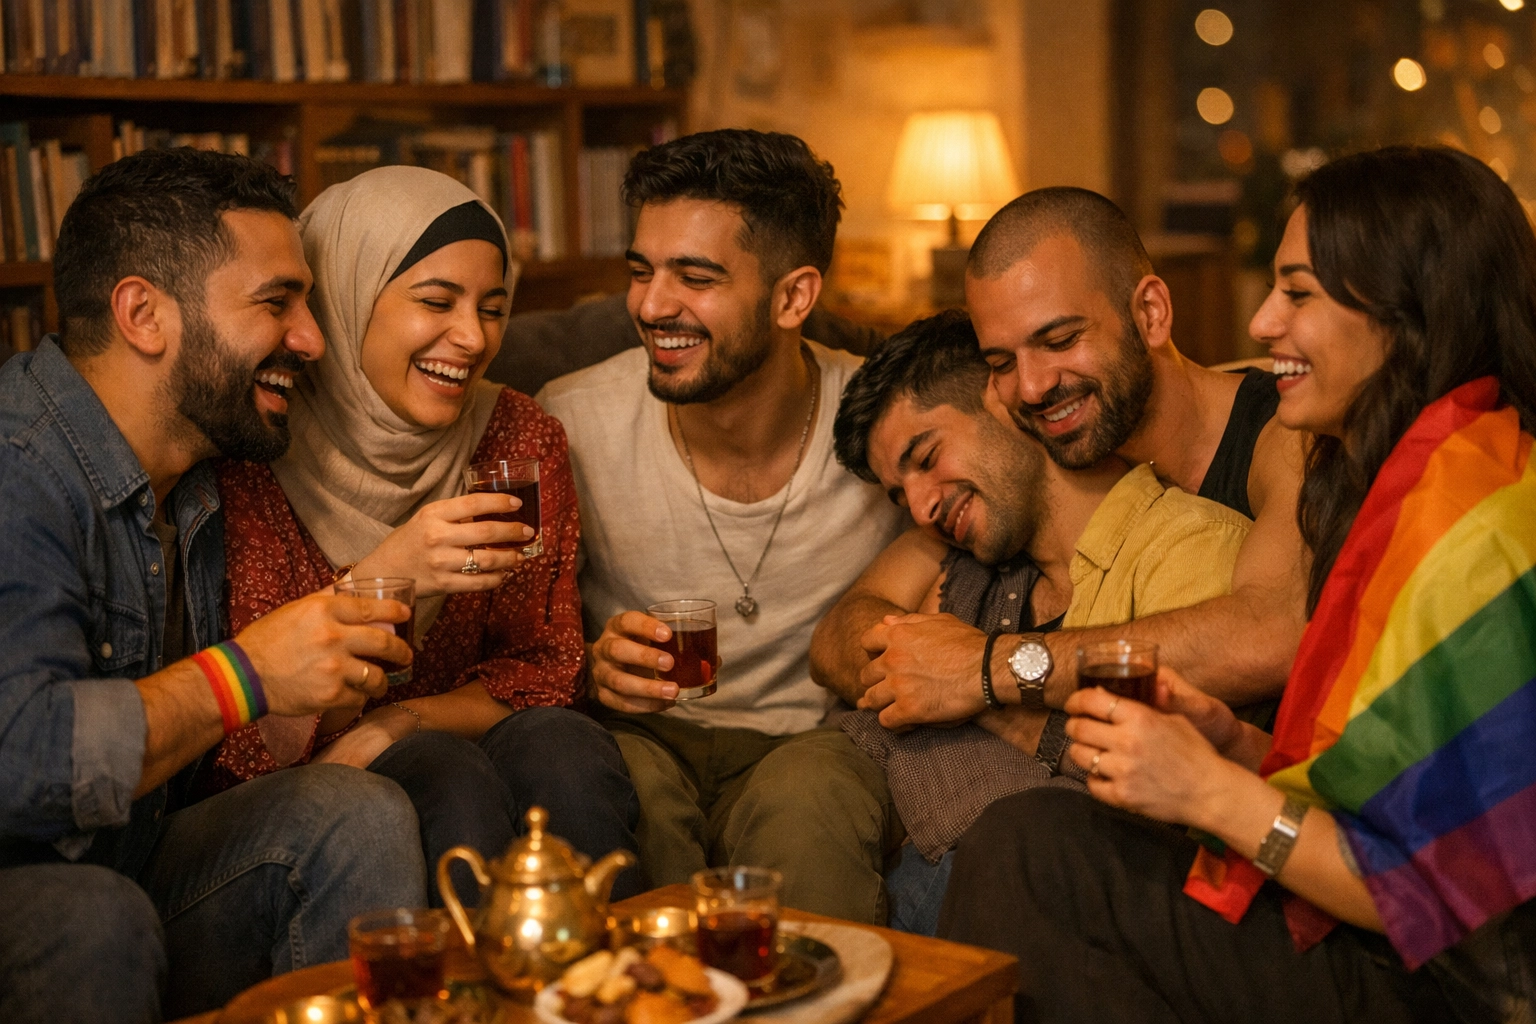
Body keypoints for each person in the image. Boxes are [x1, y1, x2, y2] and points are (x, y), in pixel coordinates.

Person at [940, 146, 1536, 1023]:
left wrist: (1215, 793)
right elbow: (1384, 784)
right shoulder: (1403, 472)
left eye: (1298, 294)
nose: (1260, 323)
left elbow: (1440, 892)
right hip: (1378, 935)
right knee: (1037, 846)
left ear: (1408, 311)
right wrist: (1231, 747)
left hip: (1452, 987)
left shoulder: (1475, 523)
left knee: (1029, 853)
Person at [0, 148, 427, 1021]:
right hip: (43, 887)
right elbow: (20, 756)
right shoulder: (17, 471)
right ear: (143, 314)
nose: (311, 340)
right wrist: (244, 675)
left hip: (133, 852)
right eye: (277, 304)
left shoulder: (201, 474)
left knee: (360, 812)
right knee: (93, 917)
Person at [207, 166, 643, 904]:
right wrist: (394, 571)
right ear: (345, 300)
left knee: (565, 748)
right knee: (445, 774)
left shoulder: (519, 437)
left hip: (459, 730)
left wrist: (403, 720)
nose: (472, 338)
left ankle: (619, 993)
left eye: (494, 308)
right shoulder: (255, 448)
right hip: (317, 779)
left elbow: (547, 670)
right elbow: (262, 737)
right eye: (437, 301)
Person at [537, 129, 907, 923]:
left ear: (793, 298)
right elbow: (517, 644)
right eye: (641, 271)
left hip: (812, 743)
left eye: (694, 278)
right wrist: (589, 666)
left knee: (809, 802)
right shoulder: (569, 422)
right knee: (624, 789)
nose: (650, 305)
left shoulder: (886, 422)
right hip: (645, 736)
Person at [821, 309, 1250, 934]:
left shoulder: (1184, 546)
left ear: (1003, 404)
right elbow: (836, 639)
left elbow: (1162, 803)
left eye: (927, 456)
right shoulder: (973, 551)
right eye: (899, 493)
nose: (919, 506)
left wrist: (975, 688)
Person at [852, 187, 1308, 735]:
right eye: (1001, 362)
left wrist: (988, 671)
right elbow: (847, 624)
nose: (1033, 385)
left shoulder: (1283, 436)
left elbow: (1272, 637)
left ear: (1151, 313)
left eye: (1061, 339)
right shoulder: (1041, 440)